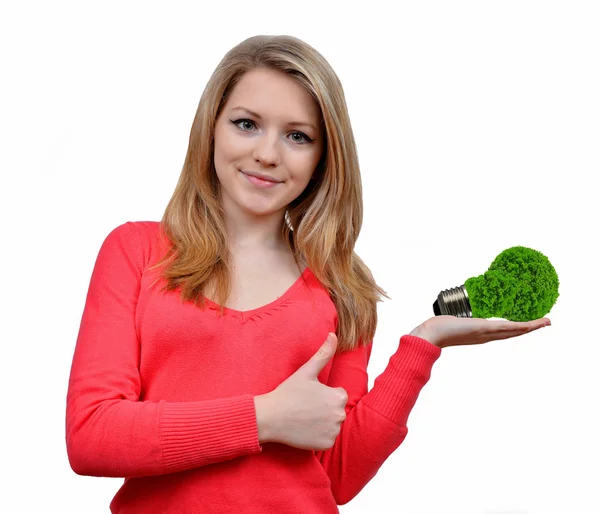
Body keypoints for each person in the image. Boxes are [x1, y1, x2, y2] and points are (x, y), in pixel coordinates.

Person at [65, 34, 551, 513]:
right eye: (246, 124)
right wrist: (264, 418)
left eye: (298, 136)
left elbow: (338, 475)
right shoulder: (137, 251)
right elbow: (90, 436)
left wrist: (425, 342)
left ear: (323, 157)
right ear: (210, 128)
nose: (268, 154)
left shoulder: (341, 285)